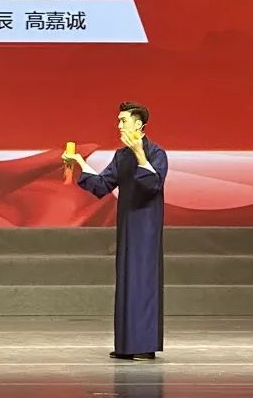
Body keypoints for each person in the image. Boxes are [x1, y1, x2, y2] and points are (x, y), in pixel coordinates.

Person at [63, 101, 167, 360]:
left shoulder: (156, 153)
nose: (119, 125)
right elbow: (102, 185)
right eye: (119, 120)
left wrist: (140, 154)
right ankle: (126, 345)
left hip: (146, 226)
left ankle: (144, 346)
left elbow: (153, 185)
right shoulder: (121, 156)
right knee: (127, 281)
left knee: (143, 281)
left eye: (123, 120)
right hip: (127, 225)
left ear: (138, 124)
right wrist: (80, 162)